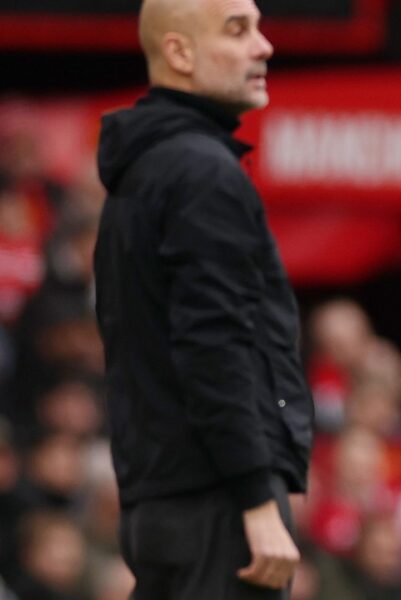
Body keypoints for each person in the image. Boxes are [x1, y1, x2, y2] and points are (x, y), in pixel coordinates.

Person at [93, 0, 313, 596]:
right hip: (218, 506)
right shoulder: (202, 172)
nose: (264, 46)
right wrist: (256, 497)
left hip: (161, 502)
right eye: (238, 30)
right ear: (179, 53)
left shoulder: (142, 172)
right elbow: (215, 347)